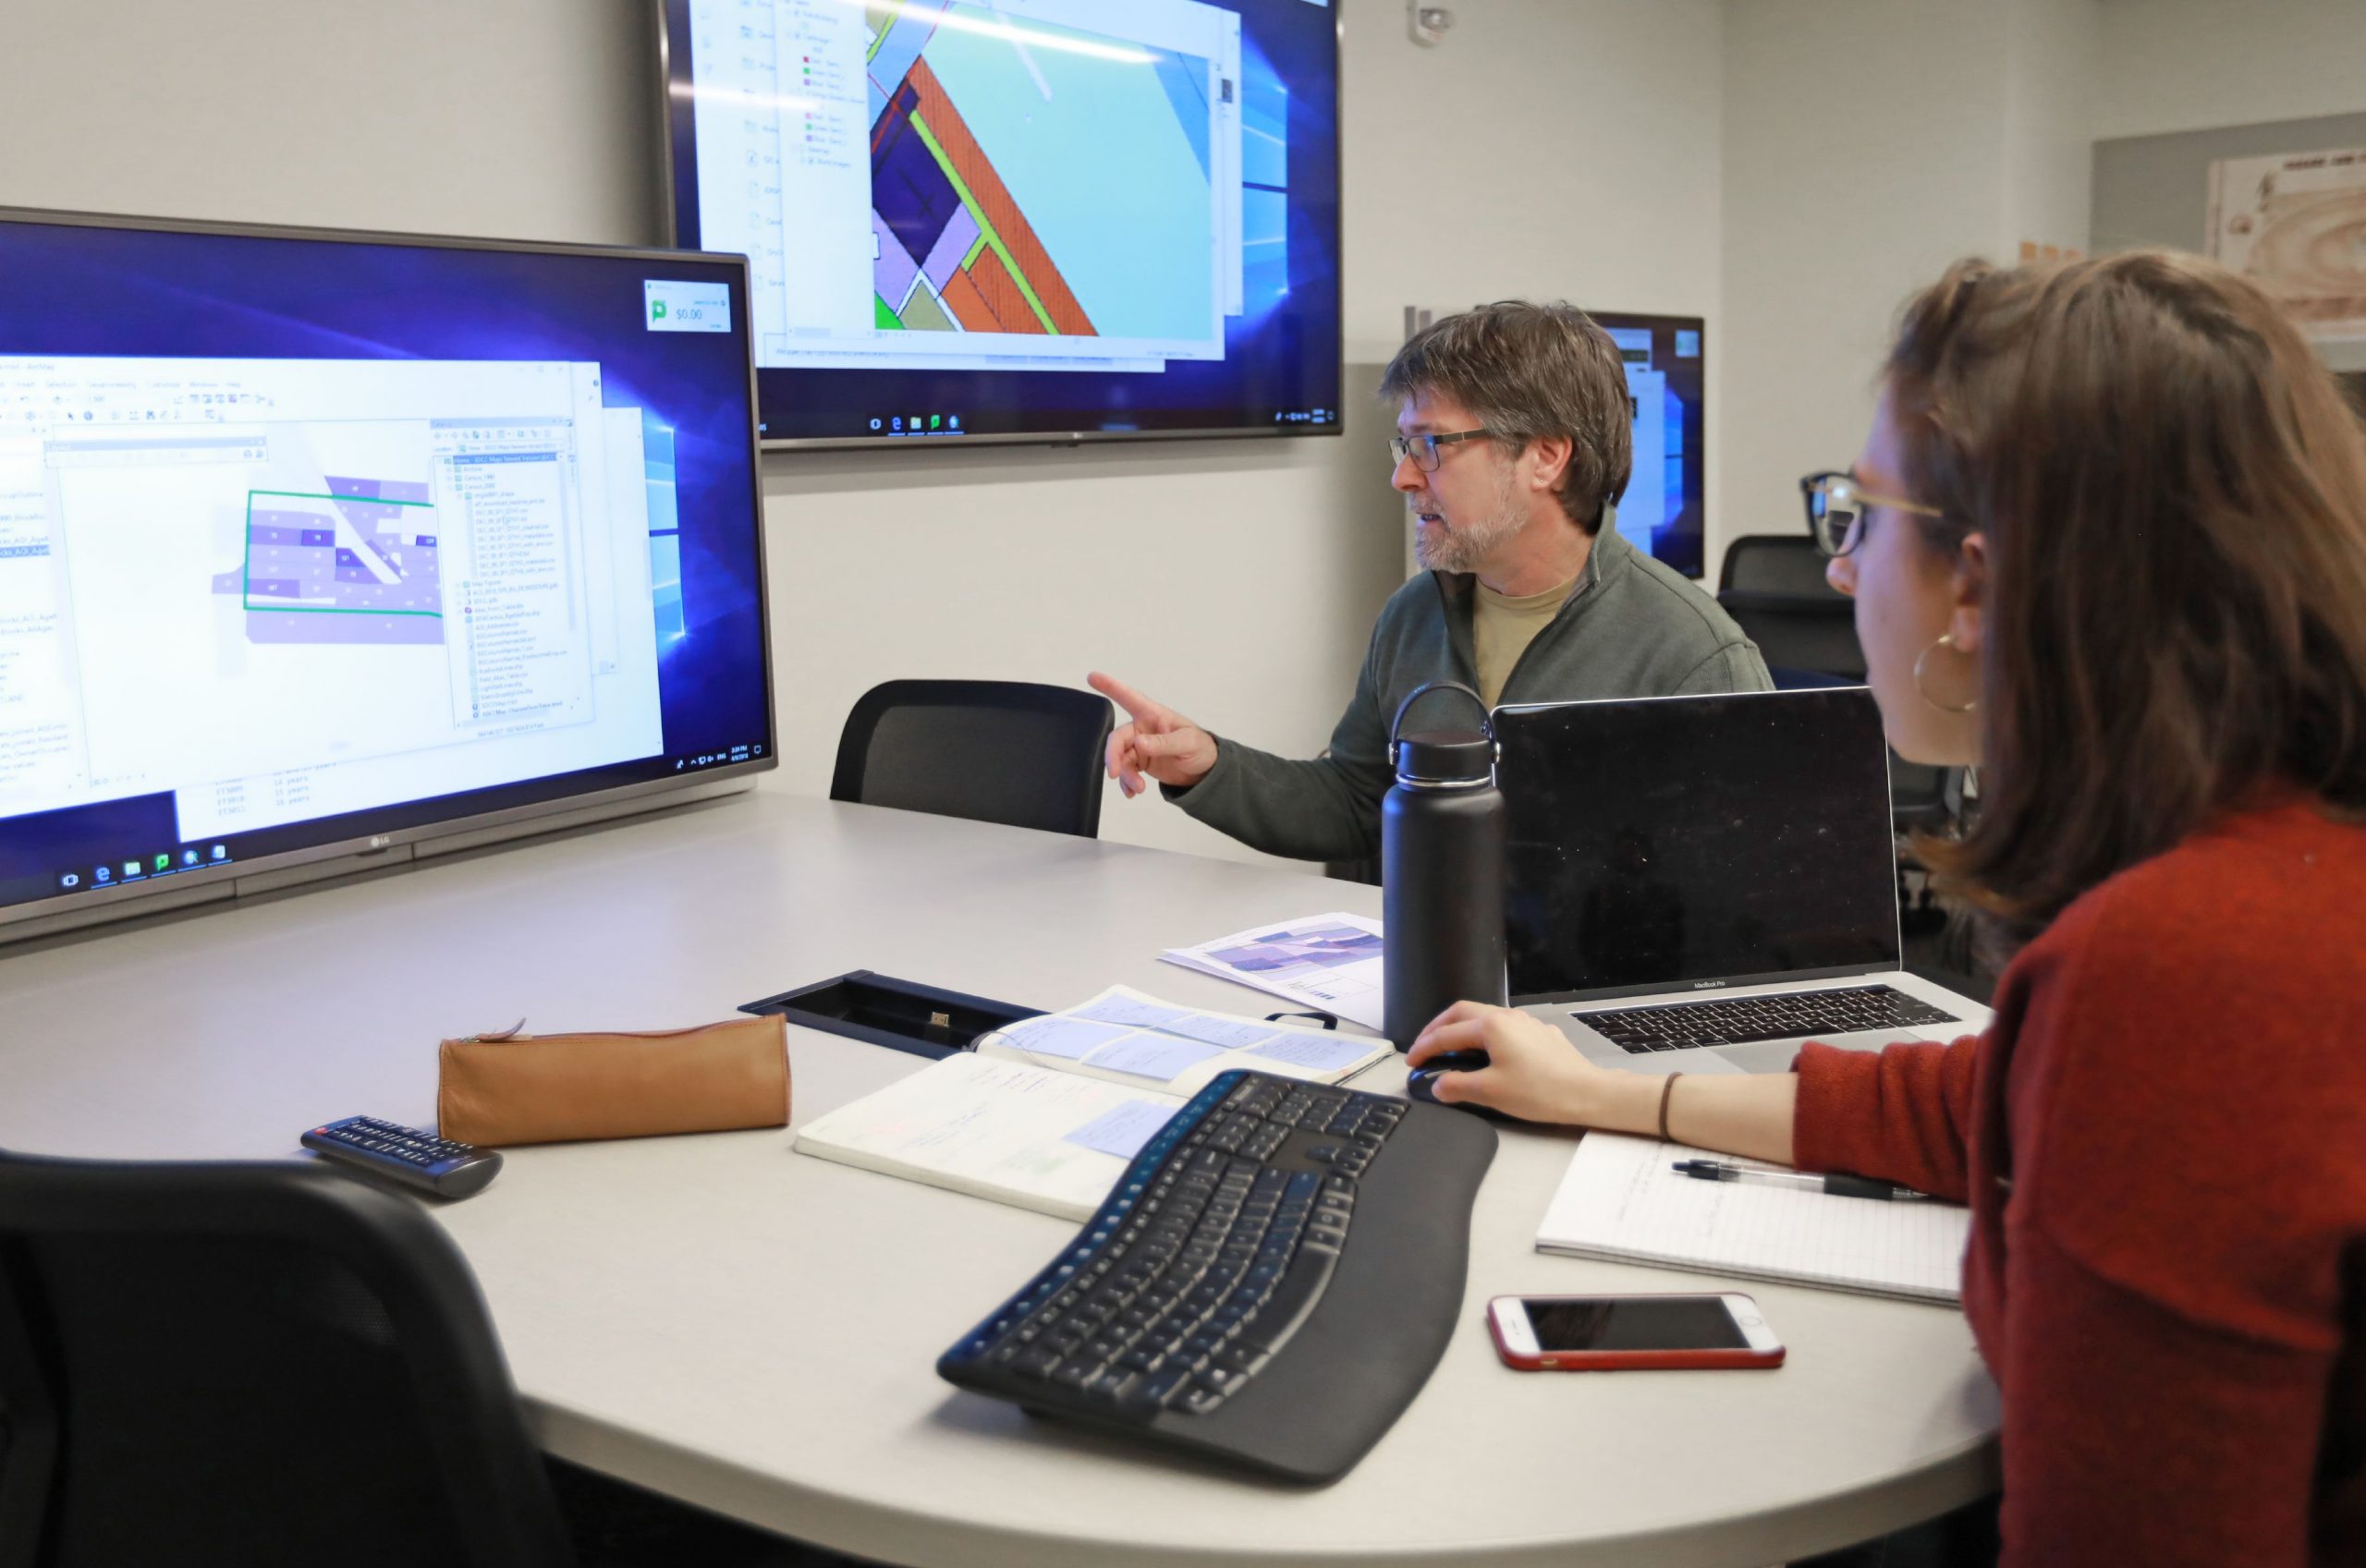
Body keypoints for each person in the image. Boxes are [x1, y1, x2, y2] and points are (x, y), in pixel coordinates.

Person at [1409, 251, 2366, 1565]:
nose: (1843, 572)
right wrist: (1605, 1089)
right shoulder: (2290, 868)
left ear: (1974, 584)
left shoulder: (2185, 971)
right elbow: (1979, 1103)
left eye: (1859, 520)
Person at [1090, 300, 1770, 868]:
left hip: (1580, 1011)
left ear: (1546, 456)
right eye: (1404, 446)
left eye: (1433, 445)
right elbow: (1360, 803)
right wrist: (1208, 765)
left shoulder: (1694, 656)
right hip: (1423, 987)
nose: (1404, 476)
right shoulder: (1417, 612)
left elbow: (1748, 893)